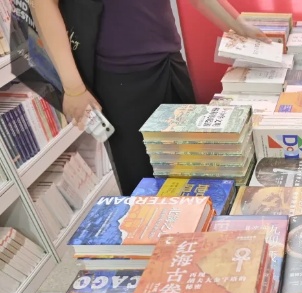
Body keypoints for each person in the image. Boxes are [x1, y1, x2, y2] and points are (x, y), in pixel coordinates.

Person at [31, 0, 270, 195]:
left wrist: (239, 26)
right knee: (145, 183)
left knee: (194, 167)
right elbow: (43, 4)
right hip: (120, 79)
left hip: (169, 62)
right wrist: (73, 87)